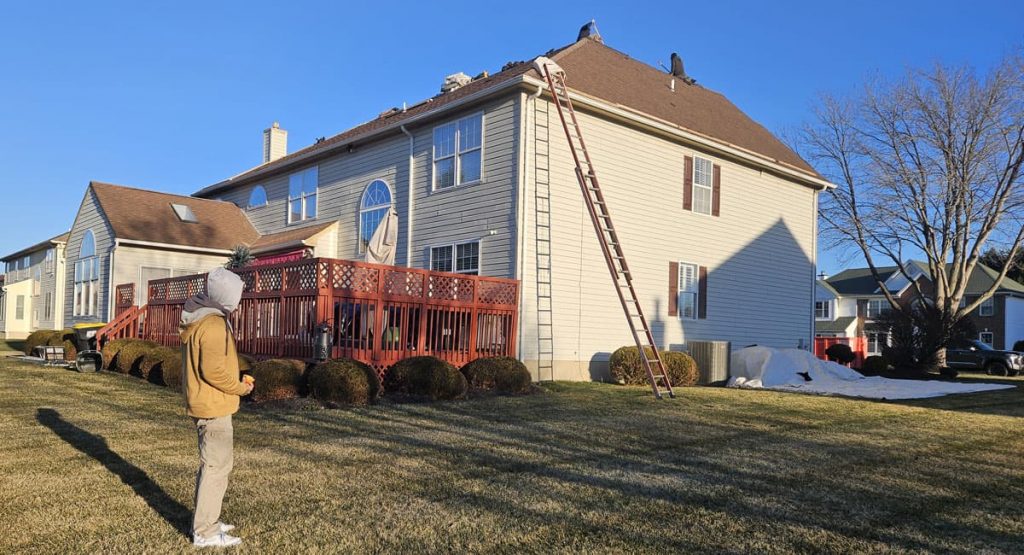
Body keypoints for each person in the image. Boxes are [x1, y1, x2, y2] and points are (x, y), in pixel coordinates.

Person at [180, 267, 254, 548]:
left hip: (209, 403)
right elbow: (213, 371)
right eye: (237, 294)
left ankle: (208, 520)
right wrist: (240, 388)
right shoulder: (212, 324)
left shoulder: (205, 319)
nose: (239, 299)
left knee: (217, 465)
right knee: (215, 467)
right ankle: (205, 532)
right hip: (212, 406)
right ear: (227, 296)